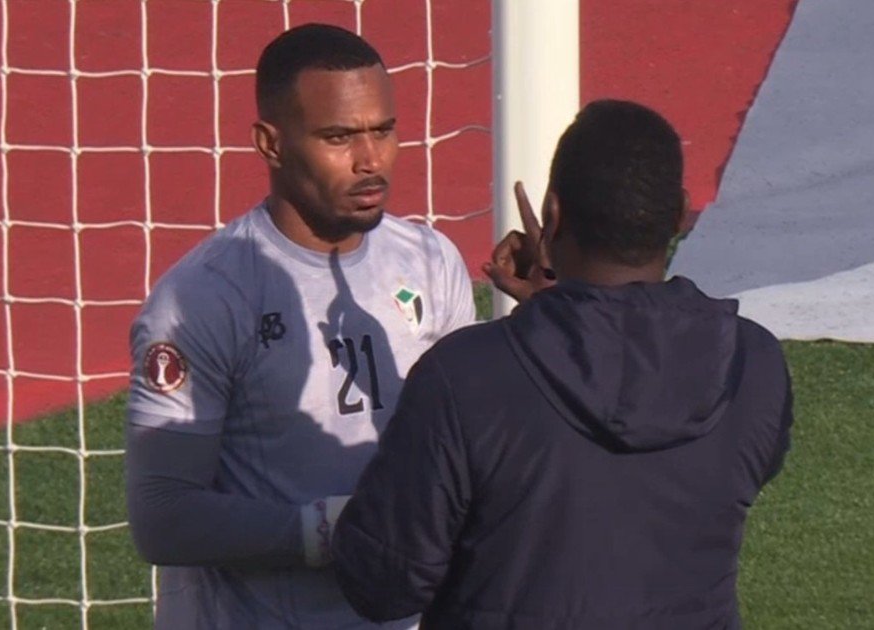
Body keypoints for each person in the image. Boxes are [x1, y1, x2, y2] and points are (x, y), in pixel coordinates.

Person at [331, 100, 795, 629]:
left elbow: (383, 584)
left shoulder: (463, 377)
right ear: (679, 215)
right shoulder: (754, 365)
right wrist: (556, 316)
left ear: (551, 216)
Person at [124, 23, 475, 629]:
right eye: (338, 137)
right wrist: (337, 530)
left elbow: (466, 450)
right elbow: (163, 517)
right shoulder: (204, 297)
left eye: (383, 131)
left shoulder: (430, 262)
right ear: (271, 144)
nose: (370, 161)